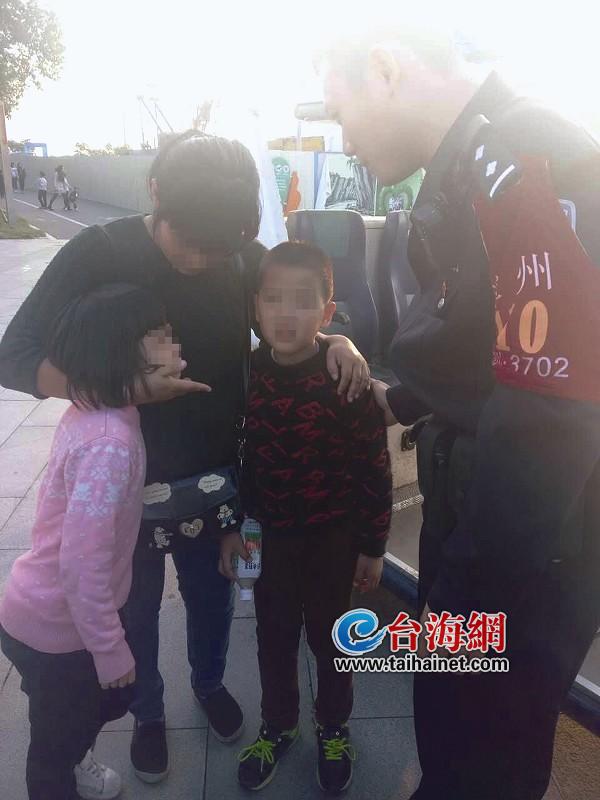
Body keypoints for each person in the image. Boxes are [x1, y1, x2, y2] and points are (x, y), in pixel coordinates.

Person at [0, 131, 368, 785]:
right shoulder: (100, 252)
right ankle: (148, 713)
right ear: (154, 194)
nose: (201, 261)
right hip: (126, 490)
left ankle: (209, 682)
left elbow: (294, 306)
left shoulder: (234, 247)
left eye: (217, 250)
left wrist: (340, 341)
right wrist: (123, 390)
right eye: (188, 243)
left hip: (221, 484)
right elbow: (14, 355)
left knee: (215, 599)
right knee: (136, 611)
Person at [317, 22, 600, 800]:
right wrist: (400, 399)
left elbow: (552, 414)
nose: (345, 142)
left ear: (384, 67)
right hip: (490, 529)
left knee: (479, 757)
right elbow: (491, 345)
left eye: (340, 113)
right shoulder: (474, 166)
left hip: (514, 553)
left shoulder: (519, 157)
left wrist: (458, 598)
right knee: (458, 749)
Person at [220, 241, 392, 794]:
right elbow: (232, 456)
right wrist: (233, 528)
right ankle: (279, 725)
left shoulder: (346, 379)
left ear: (327, 310)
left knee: (332, 639)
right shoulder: (246, 374)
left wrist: (373, 545)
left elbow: (374, 466)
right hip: (265, 534)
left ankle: (334, 726)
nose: (285, 313)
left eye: (302, 300)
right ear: (255, 306)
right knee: (272, 637)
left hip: (331, 539)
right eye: (273, 299)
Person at [0, 283, 175, 800]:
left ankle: (72, 745)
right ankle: (63, 773)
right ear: (122, 357)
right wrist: (108, 647)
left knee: (97, 704)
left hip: (54, 614)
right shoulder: (109, 445)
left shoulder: (96, 407)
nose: (174, 343)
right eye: (160, 335)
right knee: (55, 745)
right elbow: (81, 564)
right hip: (58, 627)